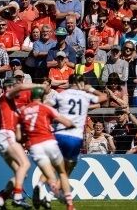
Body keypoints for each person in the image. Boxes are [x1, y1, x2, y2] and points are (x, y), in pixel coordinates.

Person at [34, 74, 106, 208]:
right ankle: (61, 201)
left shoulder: (61, 94)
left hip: (60, 134)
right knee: (66, 171)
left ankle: (41, 188)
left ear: (69, 82)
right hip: (75, 138)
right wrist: (90, 89)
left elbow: (45, 107)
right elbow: (103, 97)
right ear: (80, 83)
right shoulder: (85, 95)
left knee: (51, 165)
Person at [17, 86, 75, 210]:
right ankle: (68, 203)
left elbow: (19, 136)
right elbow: (64, 121)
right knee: (62, 171)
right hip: (49, 142)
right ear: (42, 97)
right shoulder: (45, 107)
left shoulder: (22, 111)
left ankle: (41, 188)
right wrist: (71, 125)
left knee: (50, 175)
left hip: (34, 146)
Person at [0, 79, 37, 210]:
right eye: (16, 87)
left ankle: (0, 201)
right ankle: (17, 197)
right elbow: (22, 86)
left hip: (6, 137)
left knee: (21, 173)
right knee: (25, 164)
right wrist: (40, 85)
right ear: (9, 87)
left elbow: (19, 134)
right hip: (5, 135)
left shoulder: (14, 106)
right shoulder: (5, 96)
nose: (20, 90)